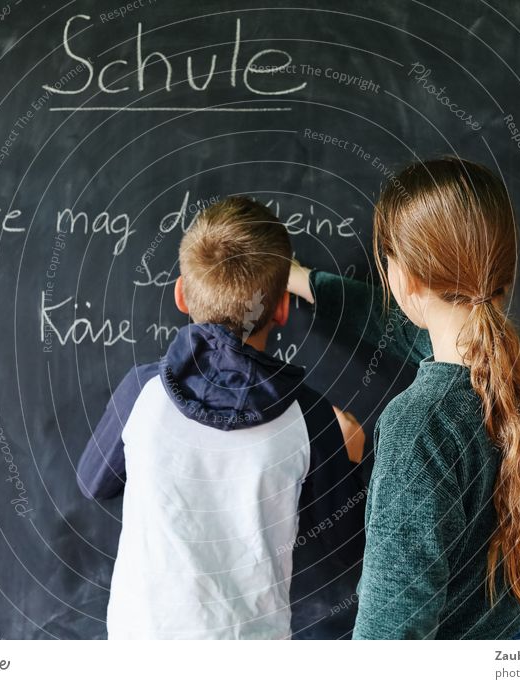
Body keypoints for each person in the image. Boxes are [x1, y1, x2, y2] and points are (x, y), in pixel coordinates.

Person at [287, 158, 520, 639]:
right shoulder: (517, 364)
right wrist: (306, 282)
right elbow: (402, 324)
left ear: (404, 279)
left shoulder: (418, 426)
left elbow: (391, 639)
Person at [76, 196, 364, 639]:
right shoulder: (311, 418)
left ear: (181, 295)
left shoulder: (142, 392)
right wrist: (352, 454)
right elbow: (348, 542)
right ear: (283, 309)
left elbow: (94, 483)